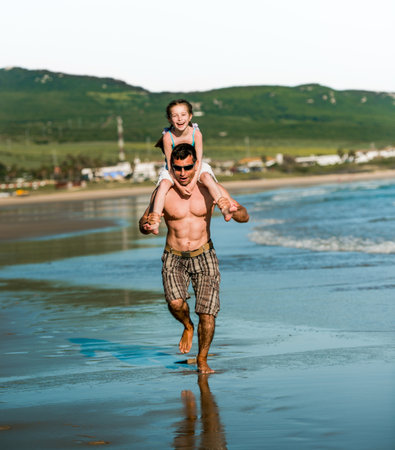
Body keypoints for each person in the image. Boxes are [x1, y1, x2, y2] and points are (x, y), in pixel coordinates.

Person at [139, 143, 249, 373]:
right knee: (175, 303)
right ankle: (187, 325)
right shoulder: (164, 190)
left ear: (196, 164)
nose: (183, 173)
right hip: (174, 256)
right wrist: (146, 224)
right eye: (177, 168)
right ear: (171, 166)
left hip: (204, 254)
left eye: (188, 167)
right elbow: (144, 222)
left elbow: (243, 216)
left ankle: (202, 359)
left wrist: (235, 210)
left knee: (207, 312)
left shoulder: (211, 188)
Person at [142, 99, 236, 235]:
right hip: (173, 168)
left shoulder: (196, 134)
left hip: (195, 165)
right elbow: (169, 165)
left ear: (190, 116)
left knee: (207, 177)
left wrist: (191, 184)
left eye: (183, 115)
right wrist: (179, 186)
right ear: (169, 119)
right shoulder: (168, 137)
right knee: (163, 185)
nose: (180, 119)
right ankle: (155, 221)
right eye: (175, 116)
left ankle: (224, 208)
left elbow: (198, 161)